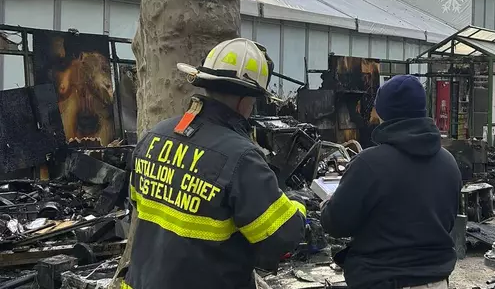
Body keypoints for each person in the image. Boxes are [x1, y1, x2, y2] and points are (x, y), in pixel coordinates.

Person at [122, 38, 306, 289]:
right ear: (245, 101)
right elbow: (280, 237)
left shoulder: (154, 135)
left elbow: (136, 201)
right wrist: (299, 209)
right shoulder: (242, 157)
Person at [320, 75, 461, 289]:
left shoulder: (368, 163)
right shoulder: (449, 163)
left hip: (382, 279)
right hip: (437, 280)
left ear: (383, 112)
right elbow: (448, 222)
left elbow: (337, 224)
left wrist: (326, 206)